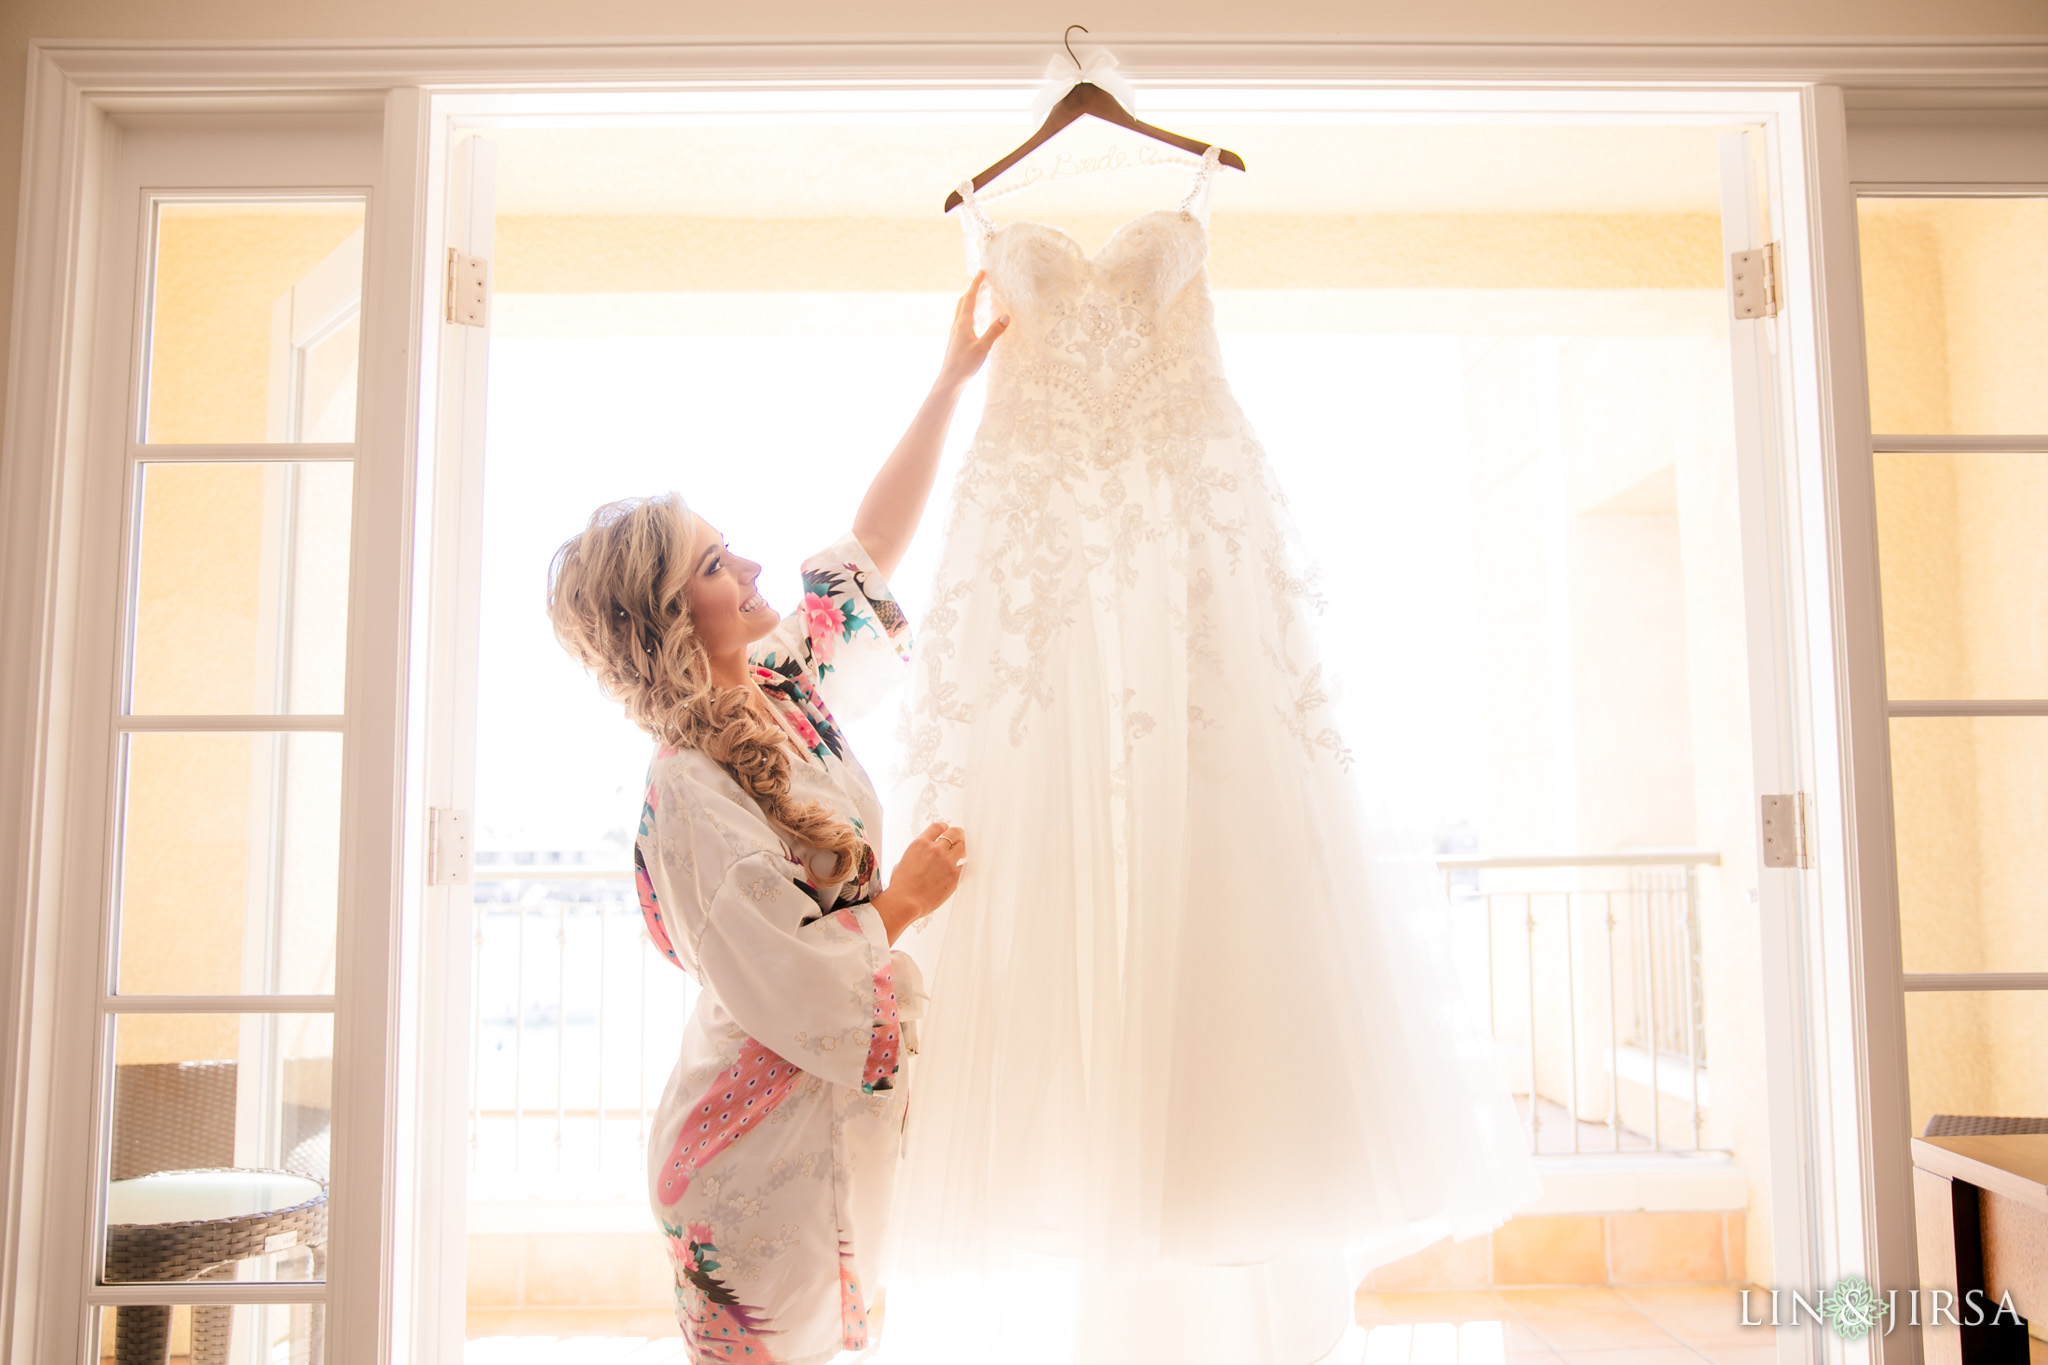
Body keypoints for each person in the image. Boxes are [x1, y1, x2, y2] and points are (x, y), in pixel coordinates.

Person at [544, 274, 1008, 1365]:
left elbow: (864, 554)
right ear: (667, 616)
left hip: (818, 1127)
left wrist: (948, 382)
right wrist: (900, 903)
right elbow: (787, 969)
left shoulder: (780, 683)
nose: (750, 566)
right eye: (714, 564)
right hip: (747, 1159)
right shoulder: (684, 786)